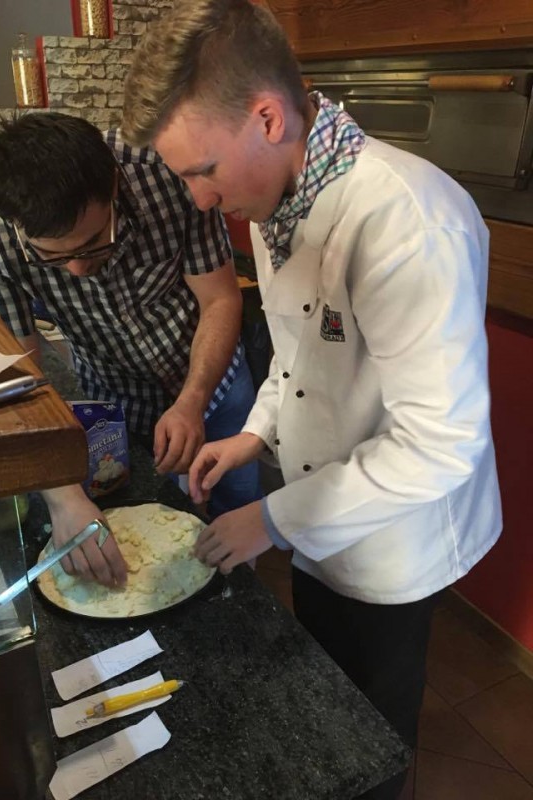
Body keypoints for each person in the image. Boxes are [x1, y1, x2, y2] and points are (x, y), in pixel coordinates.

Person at [121, 2, 503, 797]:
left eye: (202, 171)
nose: (199, 200)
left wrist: (269, 519)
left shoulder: (407, 222)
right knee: (324, 709)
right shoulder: (277, 198)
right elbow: (296, 356)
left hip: (393, 539)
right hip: (312, 516)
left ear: (267, 118)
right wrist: (256, 434)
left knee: (371, 746)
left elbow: (441, 443)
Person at [0, 112, 261, 588]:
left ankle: (244, 598)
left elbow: (220, 299)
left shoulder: (165, 173)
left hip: (217, 384)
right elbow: (19, 382)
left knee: (237, 511)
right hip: (115, 402)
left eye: (94, 243)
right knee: (142, 531)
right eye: (52, 256)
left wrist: (192, 400)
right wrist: (63, 497)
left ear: (115, 187)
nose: (77, 269)